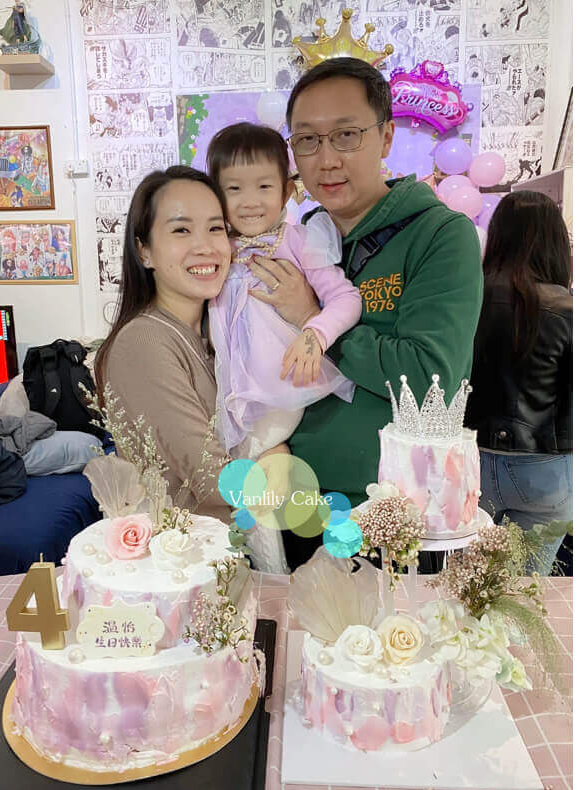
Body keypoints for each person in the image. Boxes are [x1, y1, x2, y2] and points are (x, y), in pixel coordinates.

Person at [242, 57, 483, 570]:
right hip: (295, 502)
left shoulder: (439, 235)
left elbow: (430, 379)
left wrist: (315, 319)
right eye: (307, 140)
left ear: (386, 136)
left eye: (346, 135)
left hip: (389, 521)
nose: (326, 159)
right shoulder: (299, 238)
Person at [206, 122, 362, 572]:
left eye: (263, 186)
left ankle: (271, 581)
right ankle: (255, 578)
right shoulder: (218, 246)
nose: (250, 201)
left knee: (253, 490)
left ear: (287, 190)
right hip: (231, 388)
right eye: (234, 188)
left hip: (280, 386)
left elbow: (346, 298)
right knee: (242, 491)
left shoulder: (301, 240)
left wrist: (316, 332)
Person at [94, 165, 262, 524]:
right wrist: (288, 472)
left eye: (216, 228)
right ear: (144, 252)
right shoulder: (144, 342)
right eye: (181, 230)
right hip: (191, 552)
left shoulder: (218, 331)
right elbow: (215, 482)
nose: (205, 247)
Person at [465, 191, 572, 576]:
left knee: (464, 588)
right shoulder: (568, 310)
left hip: (469, 461)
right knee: (523, 595)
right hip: (544, 468)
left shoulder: (466, 296)